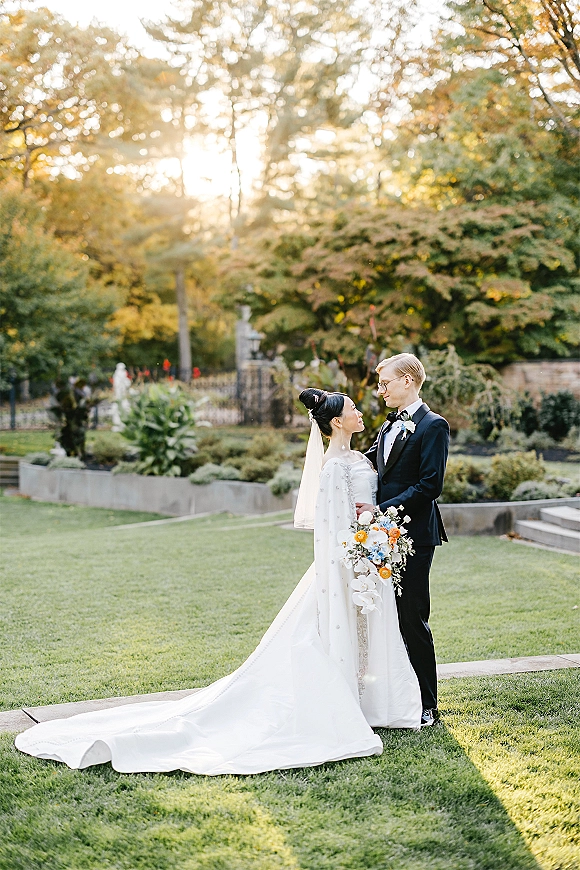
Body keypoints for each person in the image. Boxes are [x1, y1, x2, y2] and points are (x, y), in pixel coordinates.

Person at [15, 389, 421, 776]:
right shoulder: (333, 467)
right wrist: (356, 556)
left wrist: (377, 542)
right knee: (337, 630)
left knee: (368, 632)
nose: (360, 411)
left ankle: (370, 703)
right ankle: (341, 703)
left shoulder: (361, 460)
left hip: (370, 561)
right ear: (336, 421)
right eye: (352, 408)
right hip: (348, 564)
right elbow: (333, 527)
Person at [357, 353, 449, 728]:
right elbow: (373, 463)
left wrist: (380, 509)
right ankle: (396, 696)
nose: (381, 391)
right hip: (381, 536)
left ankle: (428, 704)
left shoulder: (433, 426)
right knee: (385, 618)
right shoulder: (387, 426)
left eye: (386, 383)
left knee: (413, 618)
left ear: (408, 380)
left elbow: (430, 485)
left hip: (415, 536)